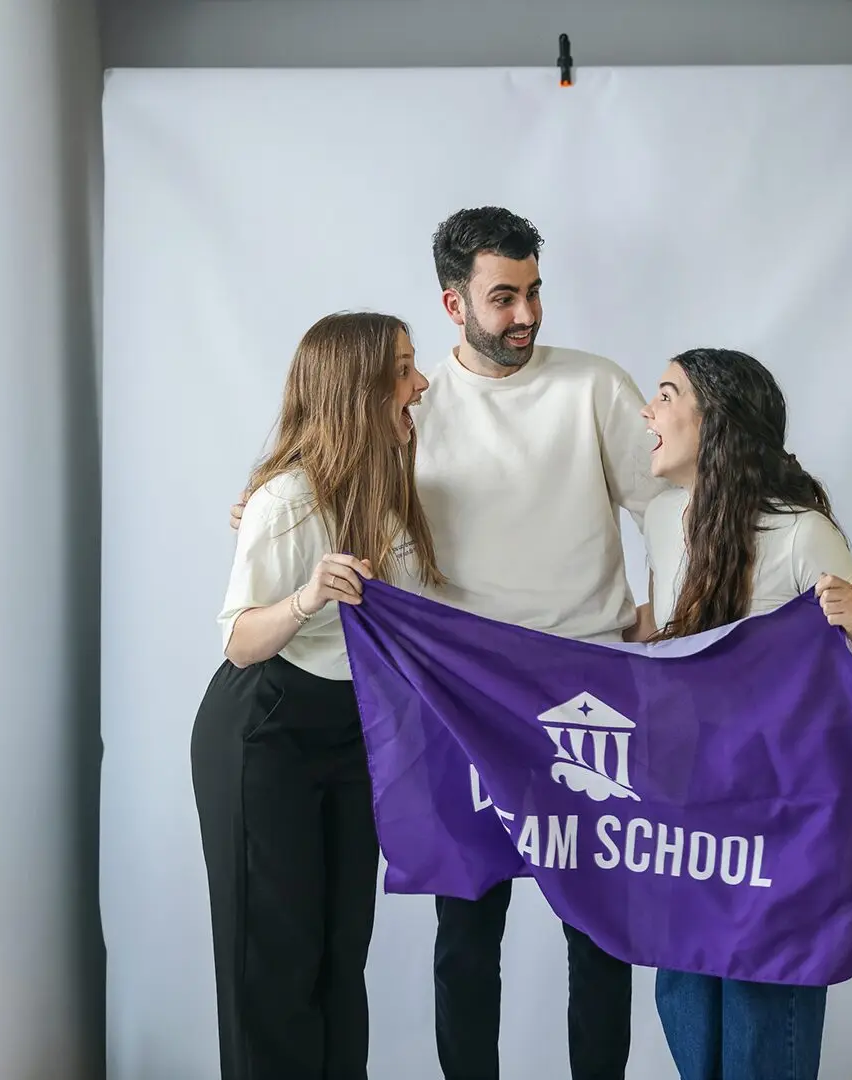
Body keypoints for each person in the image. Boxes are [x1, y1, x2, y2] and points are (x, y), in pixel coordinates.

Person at [231, 207, 667, 1080]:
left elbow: (665, 499)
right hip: (462, 695)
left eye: (534, 291)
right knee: (468, 929)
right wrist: (264, 509)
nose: (526, 314)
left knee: (600, 930)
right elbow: (340, 483)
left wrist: (666, 599)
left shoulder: (594, 387)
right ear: (453, 302)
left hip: (590, 685)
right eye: (502, 297)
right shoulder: (414, 406)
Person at [632, 346, 852, 1080]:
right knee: (688, 999)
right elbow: (667, 639)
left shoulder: (799, 532)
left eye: (664, 395)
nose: (647, 412)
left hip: (776, 816)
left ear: (711, 420)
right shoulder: (660, 517)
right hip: (686, 805)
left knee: (760, 1010)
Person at [193, 311, 442, 1080]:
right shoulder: (285, 502)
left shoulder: (391, 489)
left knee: (340, 953)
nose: (421, 382)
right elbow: (237, 641)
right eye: (403, 369)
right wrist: (306, 598)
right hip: (265, 728)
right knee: (272, 958)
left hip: (349, 730)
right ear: (357, 388)